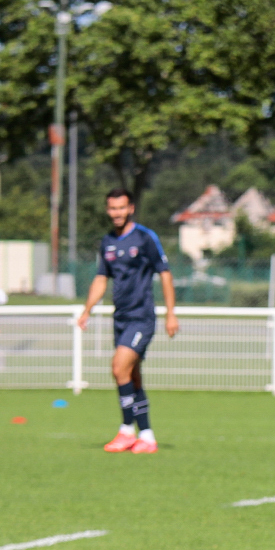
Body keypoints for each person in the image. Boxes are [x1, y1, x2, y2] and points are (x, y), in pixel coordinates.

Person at [77, 189, 178, 453]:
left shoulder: (145, 237)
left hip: (141, 317)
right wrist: (87, 309)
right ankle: (146, 436)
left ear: (130, 208)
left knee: (118, 367)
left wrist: (171, 313)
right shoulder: (108, 241)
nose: (117, 213)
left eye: (121, 208)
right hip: (120, 318)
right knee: (132, 378)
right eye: (112, 208)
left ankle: (126, 430)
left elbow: (165, 274)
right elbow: (101, 278)